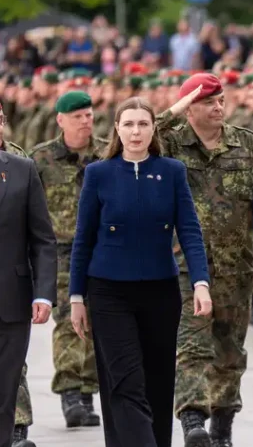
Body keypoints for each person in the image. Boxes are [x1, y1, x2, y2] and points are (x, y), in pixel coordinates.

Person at [68, 97, 213, 447]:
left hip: (160, 291)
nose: (136, 132)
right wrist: (76, 296)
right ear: (117, 129)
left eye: (143, 124)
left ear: (153, 129)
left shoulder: (172, 171)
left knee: (158, 382)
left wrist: (200, 282)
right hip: (108, 292)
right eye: (129, 124)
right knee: (125, 380)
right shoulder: (99, 173)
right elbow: (83, 238)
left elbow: (189, 230)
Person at [158, 73, 253, 447]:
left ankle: (222, 424)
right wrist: (175, 109)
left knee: (230, 352)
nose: (218, 107)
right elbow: (133, 137)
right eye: (207, 102)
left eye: (221, 100)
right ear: (189, 108)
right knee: (191, 346)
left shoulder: (246, 144)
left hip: (237, 267)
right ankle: (192, 421)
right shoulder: (171, 144)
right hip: (185, 265)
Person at [28, 90, 106, 429]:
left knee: (98, 321)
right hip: (61, 253)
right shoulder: (41, 159)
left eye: (88, 115)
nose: (85, 121)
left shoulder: (106, 154)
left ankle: (88, 390)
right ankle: (71, 392)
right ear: (60, 120)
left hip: (102, 250)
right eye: (77, 117)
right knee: (67, 320)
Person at [0, 149, 56, 447]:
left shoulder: (23, 170)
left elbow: (42, 239)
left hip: (11, 300)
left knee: (4, 395)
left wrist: (44, 294)